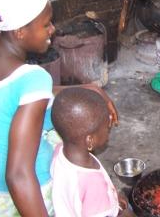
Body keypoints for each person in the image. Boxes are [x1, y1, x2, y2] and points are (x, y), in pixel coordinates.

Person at [0, 0, 118, 216]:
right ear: (20, 31)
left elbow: (13, 97)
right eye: (46, 24)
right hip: (23, 196)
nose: (53, 29)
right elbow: (18, 175)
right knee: (77, 130)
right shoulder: (33, 78)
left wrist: (88, 89)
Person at [51, 87, 134, 217]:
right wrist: (120, 213)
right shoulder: (94, 184)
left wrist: (113, 198)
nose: (109, 131)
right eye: (107, 128)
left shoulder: (60, 151)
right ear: (90, 141)